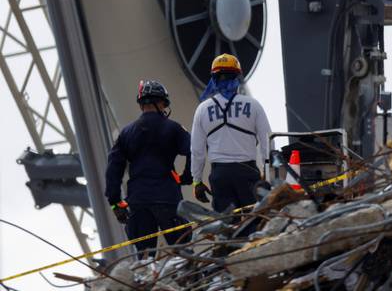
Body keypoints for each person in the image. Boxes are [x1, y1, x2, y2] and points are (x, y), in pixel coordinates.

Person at [105, 80, 192, 258]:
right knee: (183, 253)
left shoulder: (127, 133)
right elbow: (194, 150)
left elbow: (113, 168)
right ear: (160, 102)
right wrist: (188, 176)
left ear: (142, 104)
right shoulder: (174, 128)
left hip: (138, 200)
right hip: (168, 198)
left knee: (144, 258)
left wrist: (115, 203)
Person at [190, 53, 271, 213]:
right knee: (254, 220)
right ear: (238, 78)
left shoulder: (203, 109)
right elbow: (267, 142)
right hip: (247, 173)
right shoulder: (253, 105)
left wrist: (197, 181)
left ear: (214, 79)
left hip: (220, 176)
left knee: (227, 225)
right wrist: (267, 174)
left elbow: (197, 151)